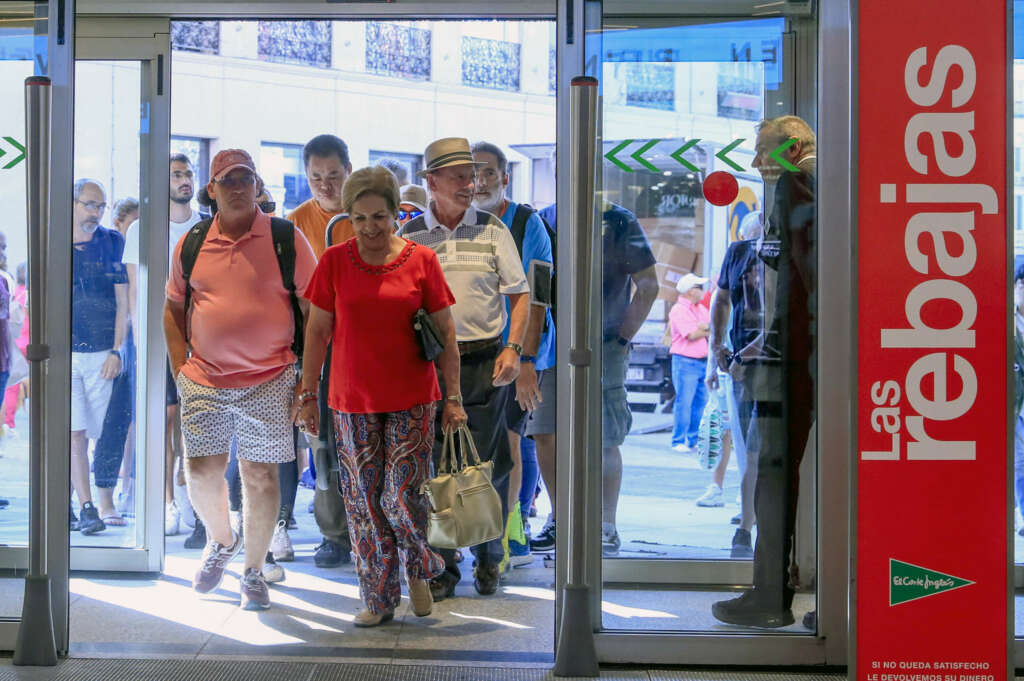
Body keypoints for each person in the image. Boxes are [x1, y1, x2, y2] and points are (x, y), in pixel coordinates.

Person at [297, 165, 463, 626]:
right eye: (361, 217)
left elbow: (447, 334)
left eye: (380, 216)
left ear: (396, 213)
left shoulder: (420, 260)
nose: (371, 227)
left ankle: (418, 569)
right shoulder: (333, 261)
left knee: (400, 495)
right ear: (349, 215)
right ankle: (377, 595)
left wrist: (454, 397)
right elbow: (317, 331)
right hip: (350, 401)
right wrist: (307, 393)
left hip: (413, 396)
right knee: (363, 502)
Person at [164, 149, 316, 610]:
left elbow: (314, 311)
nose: (236, 187)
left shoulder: (286, 237)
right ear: (212, 189)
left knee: (260, 475)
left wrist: (307, 381)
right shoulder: (192, 242)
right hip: (204, 378)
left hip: (270, 376)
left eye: (245, 179)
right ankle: (220, 541)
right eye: (227, 180)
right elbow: (172, 309)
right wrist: (179, 370)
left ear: (257, 185)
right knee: (202, 471)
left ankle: (252, 570)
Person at [399, 137, 530, 599]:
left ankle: (490, 558)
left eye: (472, 176)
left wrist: (514, 348)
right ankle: (443, 568)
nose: (469, 185)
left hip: (485, 361)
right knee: (435, 470)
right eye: (457, 176)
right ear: (430, 182)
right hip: (427, 364)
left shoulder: (494, 230)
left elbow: (520, 294)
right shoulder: (410, 235)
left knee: (488, 465)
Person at [712, 115, 817, 628]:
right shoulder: (821, 183)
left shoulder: (797, 183)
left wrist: (768, 343)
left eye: (763, 151)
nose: (755, 163)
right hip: (805, 355)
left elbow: (806, 282)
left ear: (792, 149)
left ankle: (769, 597)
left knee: (773, 478)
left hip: (794, 359)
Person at [534, 200, 658, 557]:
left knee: (605, 435)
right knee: (545, 431)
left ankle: (606, 524)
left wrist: (621, 337)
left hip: (604, 343)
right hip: (550, 344)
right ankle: (559, 519)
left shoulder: (619, 220)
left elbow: (648, 284)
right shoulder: (544, 219)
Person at [471, 141, 555, 568]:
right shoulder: (458, 223)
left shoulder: (526, 223)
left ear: (505, 177)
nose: (479, 181)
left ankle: (509, 534)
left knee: (509, 442)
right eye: (473, 173)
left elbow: (538, 297)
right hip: (469, 355)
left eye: (488, 172)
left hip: (516, 351)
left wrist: (525, 360)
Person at [124, 153, 205, 542]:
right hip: (157, 340)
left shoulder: (207, 226)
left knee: (197, 424)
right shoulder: (142, 229)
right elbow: (137, 291)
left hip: (201, 341)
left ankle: (194, 500)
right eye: (176, 175)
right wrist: (141, 346)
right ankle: (167, 503)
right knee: (163, 421)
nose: (184, 180)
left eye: (188, 174)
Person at [286, 134, 354, 569]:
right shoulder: (293, 224)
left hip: (364, 349)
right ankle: (334, 534)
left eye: (333, 176)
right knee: (321, 443)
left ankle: (374, 526)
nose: (325, 186)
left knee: (363, 443)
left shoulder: (365, 214)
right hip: (317, 350)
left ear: (348, 170)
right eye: (316, 178)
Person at [71, 179, 128, 535]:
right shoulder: (54, 240)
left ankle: (91, 502)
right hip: (64, 354)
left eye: (101, 206)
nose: (95, 212)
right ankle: (86, 506)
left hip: (102, 353)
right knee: (74, 433)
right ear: (73, 204)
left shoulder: (112, 242)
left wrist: (116, 350)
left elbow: (123, 302)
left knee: (92, 433)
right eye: (89, 204)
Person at [707, 210, 764, 558]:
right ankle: (748, 520)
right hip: (740, 366)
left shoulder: (783, 255)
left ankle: (749, 526)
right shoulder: (737, 252)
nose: (754, 245)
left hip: (768, 365)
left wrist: (737, 356)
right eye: (750, 237)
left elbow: (779, 320)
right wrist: (718, 349)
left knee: (759, 450)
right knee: (748, 449)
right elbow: (721, 298)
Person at [669, 273, 710, 455]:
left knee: (700, 403)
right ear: (690, 291)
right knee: (684, 402)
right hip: (685, 362)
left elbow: (713, 326)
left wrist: (703, 328)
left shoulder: (700, 309)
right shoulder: (679, 310)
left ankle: (693, 440)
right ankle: (678, 440)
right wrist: (705, 328)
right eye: (699, 288)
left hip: (702, 361)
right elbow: (692, 334)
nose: (702, 291)